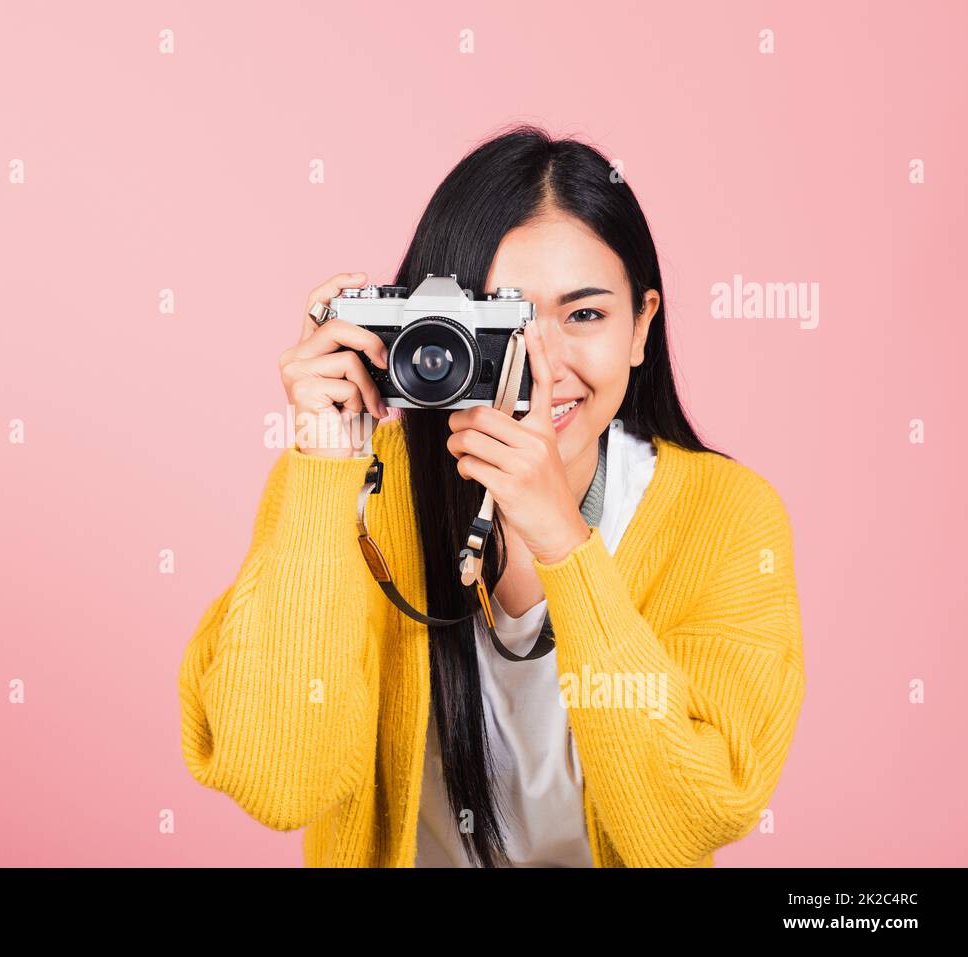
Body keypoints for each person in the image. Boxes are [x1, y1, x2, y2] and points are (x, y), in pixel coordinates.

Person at [178, 124, 805, 868]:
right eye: (500, 321)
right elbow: (278, 781)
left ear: (641, 326)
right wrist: (325, 466)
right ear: (425, 329)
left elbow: (684, 823)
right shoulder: (346, 490)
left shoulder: (726, 515)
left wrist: (564, 541)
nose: (540, 367)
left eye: (585, 315)